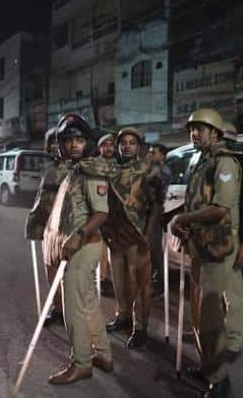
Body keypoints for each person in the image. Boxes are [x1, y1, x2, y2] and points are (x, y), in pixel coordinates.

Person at [171, 108, 243, 398]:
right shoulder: (203, 161)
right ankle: (209, 366)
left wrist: (184, 220)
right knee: (204, 313)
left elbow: (220, 210)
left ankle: (219, 379)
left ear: (215, 133)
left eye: (200, 129)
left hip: (218, 248)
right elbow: (196, 203)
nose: (194, 134)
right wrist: (178, 217)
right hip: (202, 246)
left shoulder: (225, 163)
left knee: (211, 317)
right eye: (192, 129)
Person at [43, 114, 113, 385]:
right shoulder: (73, 170)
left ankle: (81, 363)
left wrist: (77, 236)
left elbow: (101, 213)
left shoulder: (91, 170)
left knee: (74, 309)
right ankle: (103, 354)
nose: (73, 144)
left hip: (83, 247)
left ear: (88, 143)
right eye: (68, 140)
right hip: (76, 247)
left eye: (79, 139)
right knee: (88, 304)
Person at [105, 127, 163, 349]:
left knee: (140, 284)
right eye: (123, 142)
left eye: (132, 142)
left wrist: (147, 236)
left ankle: (141, 327)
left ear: (139, 147)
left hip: (137, 234)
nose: (127, 145)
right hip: (115, 235)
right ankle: (123, 316)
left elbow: (157, 205)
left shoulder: (149, 169)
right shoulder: (112, 169)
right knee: (118, 281)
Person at [25, 127, 69, 327]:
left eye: (57, 141)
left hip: (66, 228)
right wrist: (34, 221)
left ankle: (71, 314)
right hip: (46, 226)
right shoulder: (47, 167)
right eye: (51, 142)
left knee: (69, 276)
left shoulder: (75, 167)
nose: (54, 146)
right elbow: (40, 197)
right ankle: (58, 309)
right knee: (50, 273)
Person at [146, 143, 171, 294]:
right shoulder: (153, 168)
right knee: (151, 249)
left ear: (162, 155)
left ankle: (161, 282)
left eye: (153, 152)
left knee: (155, 249)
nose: (149, 155)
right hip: (149, 213)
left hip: (155, 214)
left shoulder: (162, 171)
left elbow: (147, 184)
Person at [97, 133, 116, 295]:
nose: (108, 148)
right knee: (101, 249)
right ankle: (102, 279)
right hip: (99, 212)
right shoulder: (94, 165)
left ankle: (110, 278)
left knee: (114, 248)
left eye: (111, 144)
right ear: (100, 147)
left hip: (115, 214)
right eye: (105, 144)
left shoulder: (118, 165)